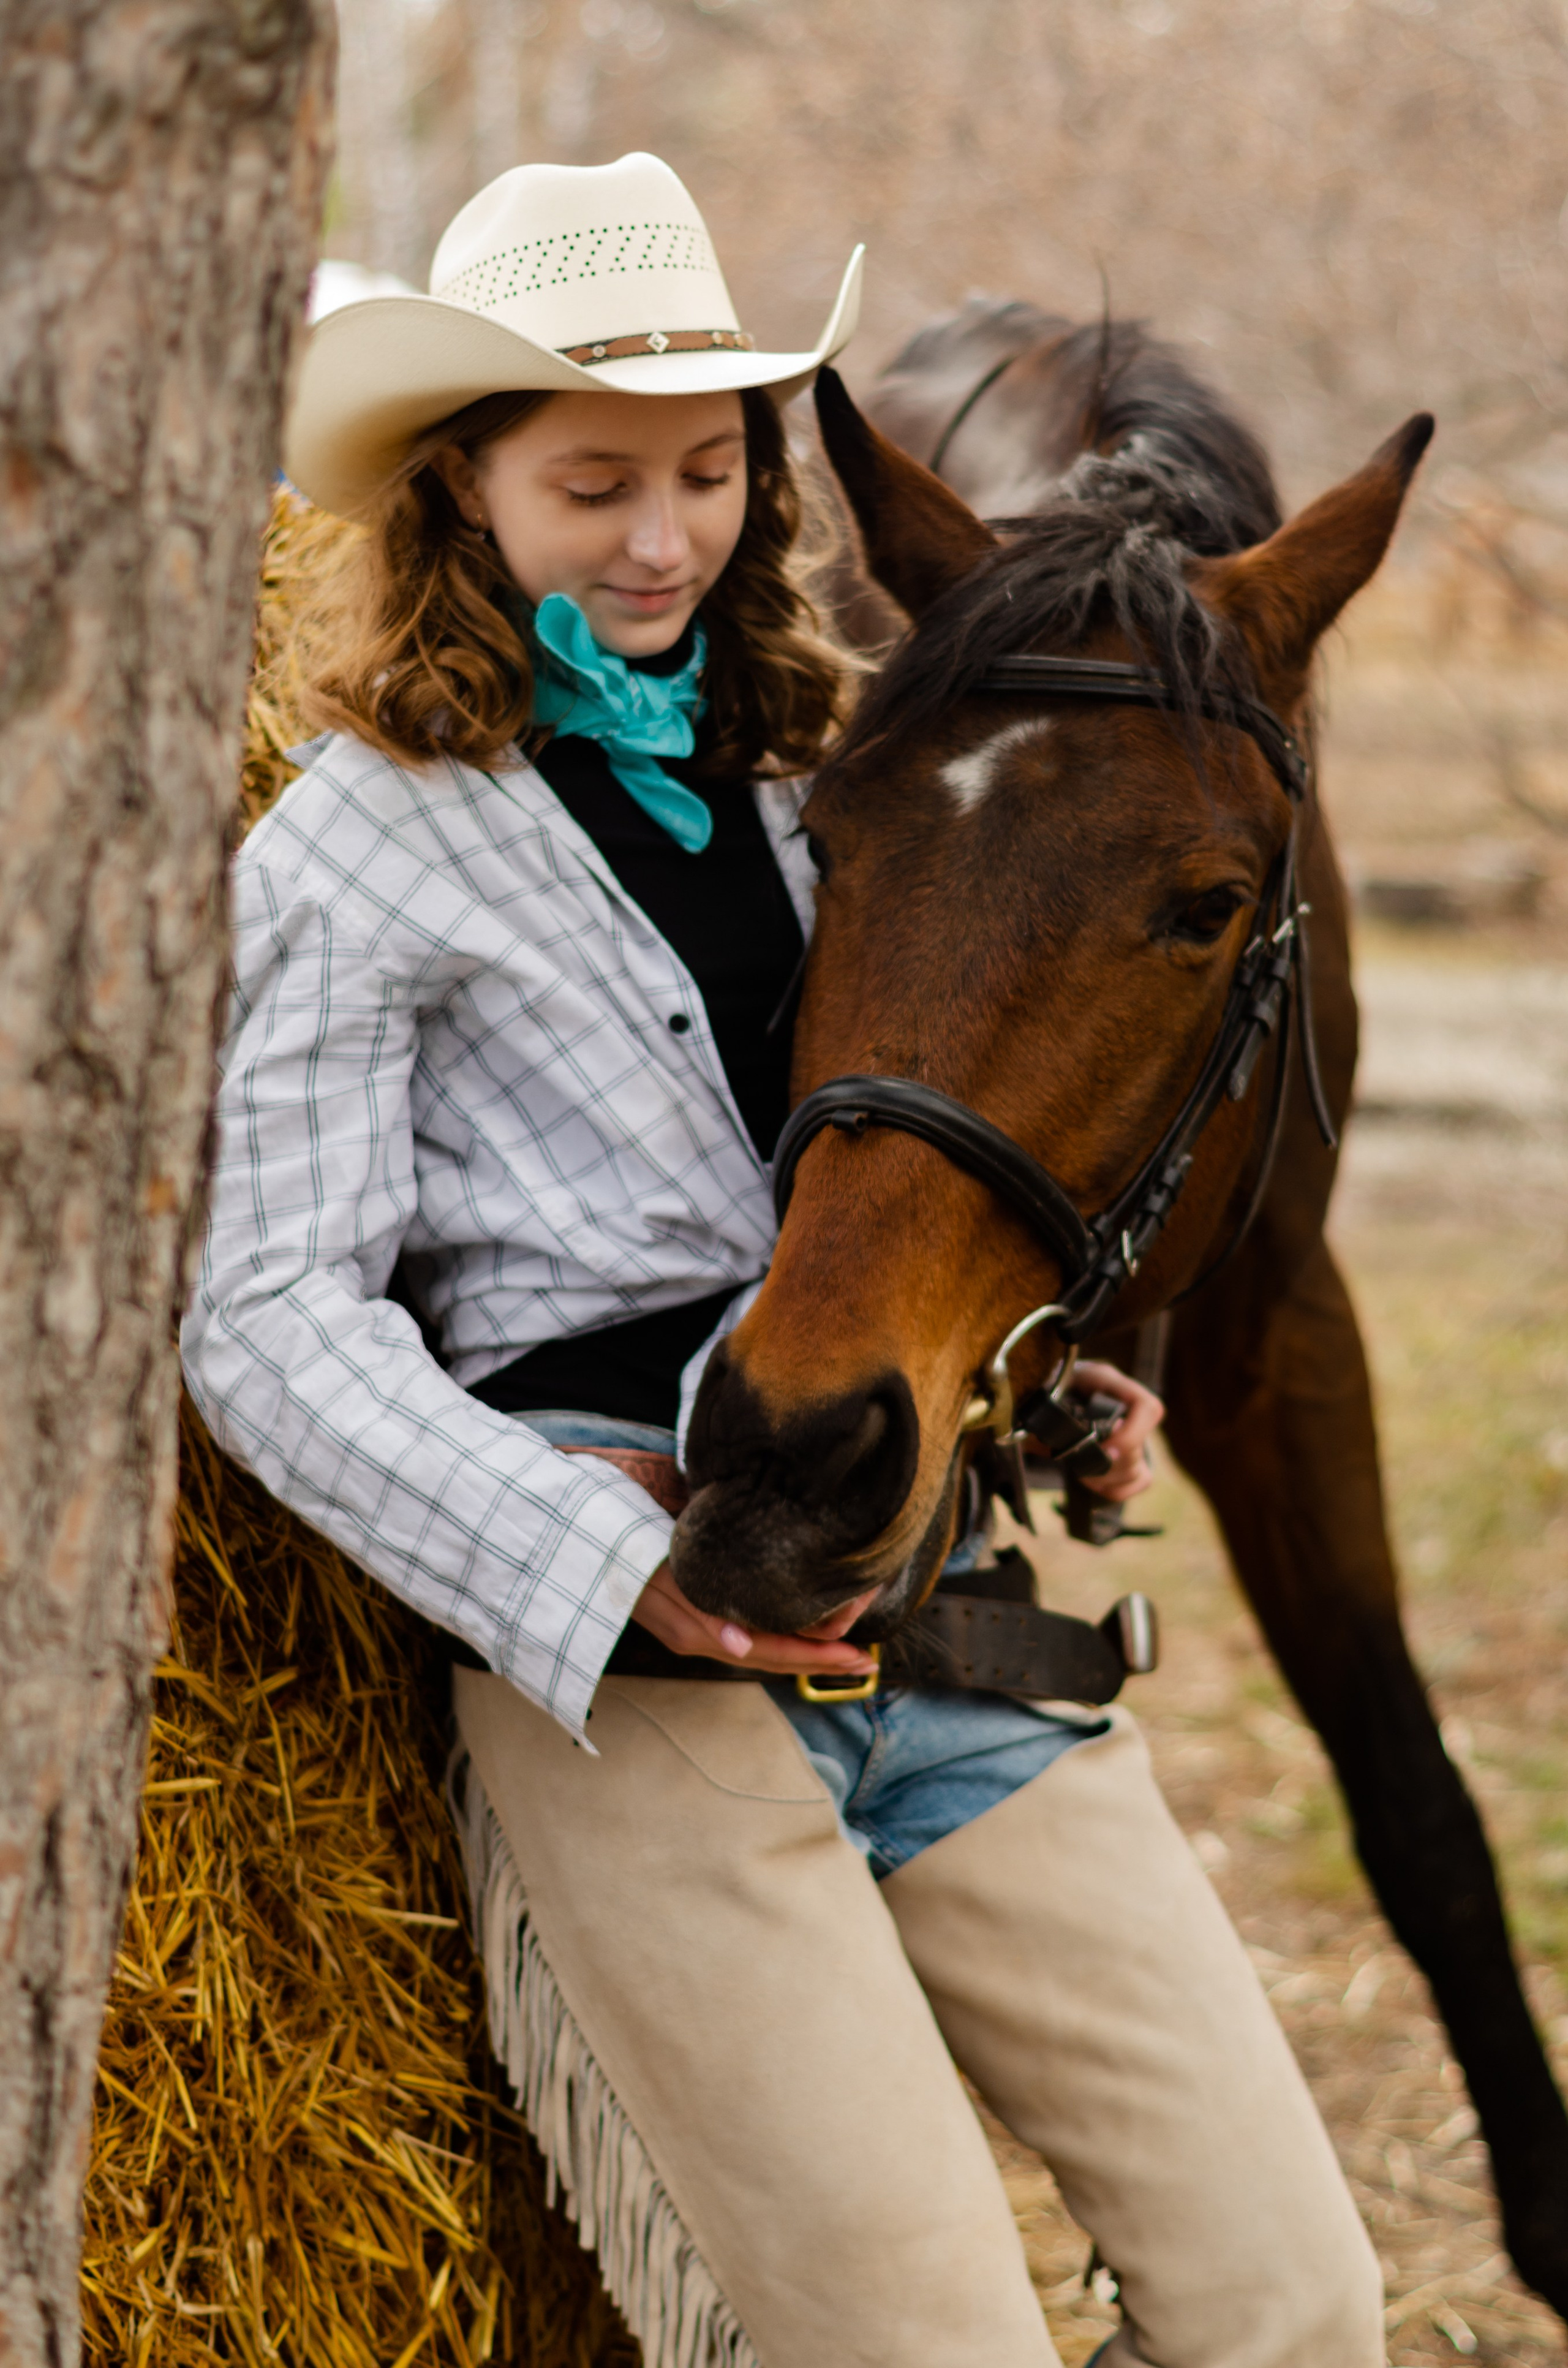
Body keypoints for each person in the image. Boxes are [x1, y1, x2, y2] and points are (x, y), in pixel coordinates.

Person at [183, 153, 1383, 2368]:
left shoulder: (837, 770)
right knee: (927, 2350)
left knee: (1295, 2302)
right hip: (629, 1659)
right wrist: (583, 1558)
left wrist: (1023, 1363)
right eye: (592, 483)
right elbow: (261, 1313)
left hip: (931, 1604)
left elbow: (897, 1167)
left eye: (710, 473)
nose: (661, 538)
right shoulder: (355, 846)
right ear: (464, 491)